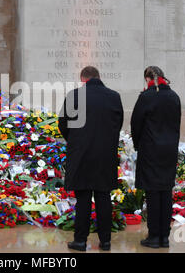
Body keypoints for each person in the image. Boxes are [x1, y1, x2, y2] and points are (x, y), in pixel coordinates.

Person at [58, 66, 124, 252]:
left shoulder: (74, 96)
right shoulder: (114, 96)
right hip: (105, 155)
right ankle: (105, 241)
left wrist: (75, 141)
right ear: (98, 77)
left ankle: (80, 241)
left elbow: (63, 123)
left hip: (81, 155)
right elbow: (117, 124)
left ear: (83, 79)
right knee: (104, 198)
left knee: (83, 200)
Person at [131, 66, 181, 248]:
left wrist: (138, 144)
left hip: (151, 149)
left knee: (153, 193)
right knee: (166, 192)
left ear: (147, 78)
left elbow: (136, 124)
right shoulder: (174, 96)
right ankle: (164, 237)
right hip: (169, 150)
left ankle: (154, 237)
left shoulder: (146, 97)